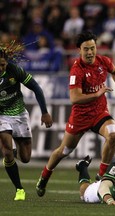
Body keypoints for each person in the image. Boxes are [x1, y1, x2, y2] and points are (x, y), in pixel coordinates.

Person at [36, 31, 115, 197]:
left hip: (99, 113)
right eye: (86, 49)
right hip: (80, 117)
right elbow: (74, 98)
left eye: (92, 48)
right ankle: (44, 176)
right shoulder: (77, 69)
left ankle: (102, 174)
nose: (90, 52)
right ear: (79, 50)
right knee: (63, 151)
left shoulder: (103, 61)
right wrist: (97, 93)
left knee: (113, 134)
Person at [0, 42, 53, 201]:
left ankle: (13, 153)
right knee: (7, 149)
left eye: (2, 64)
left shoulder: (14, 71)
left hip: (19, 115)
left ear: (7, 62)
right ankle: (19, 189)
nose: (0, 68)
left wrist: (44, 112)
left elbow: (36, 87)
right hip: (2, 116)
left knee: (25, 158)